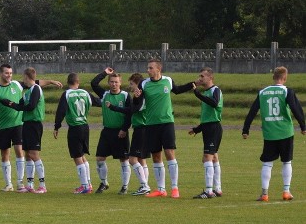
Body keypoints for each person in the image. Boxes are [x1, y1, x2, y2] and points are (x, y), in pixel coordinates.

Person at [242, 66, 306, 202]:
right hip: (285, 132)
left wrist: (245, 129)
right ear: (285, 77)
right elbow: (296, 109)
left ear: (273, 77)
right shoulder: (287, 91)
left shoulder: (263, 92)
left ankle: (264, 194)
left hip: (269, 133)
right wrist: (303, 125)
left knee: (267, 163)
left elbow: (252, 111)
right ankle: (286, 191)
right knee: (286, 161)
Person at [137, 58, 195, 198]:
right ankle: (161, 189)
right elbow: (138, 103)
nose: (148, 70)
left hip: (167, 122)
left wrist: (192, 84)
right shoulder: (144, 83)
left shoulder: (168, 81)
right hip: (151, 124)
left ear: (158, 69)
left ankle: (175, 188)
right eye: (148, 68)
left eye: (151, 68)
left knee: (169, 152)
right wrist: (136, 97)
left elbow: (178, 90)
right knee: (156, 156)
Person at [0, 67, 53, 193]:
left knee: (34, 154)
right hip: (27, 124)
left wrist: (17, 106)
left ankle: (42, 185)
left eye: (23, 77)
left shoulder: (36, 89)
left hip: (34, 124)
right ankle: (29, 184)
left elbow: (31, 106)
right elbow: (20, 106)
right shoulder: (27, 92)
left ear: (26, 77)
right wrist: (9, 103)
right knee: (28, 154)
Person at [90, 67, 132, 194]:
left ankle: (125, 186)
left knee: (124, 160)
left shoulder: (125, 96)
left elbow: (130, 114)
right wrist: (104, 73)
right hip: (107, 131)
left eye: (116, 82)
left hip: (121, 132)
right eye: (112, 82)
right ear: (109, 83)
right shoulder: (105, 95)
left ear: (120, 83)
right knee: (100, 158)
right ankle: (104, 182)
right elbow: (93, 84)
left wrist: (124, 129)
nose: (114, 84)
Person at [0, 64, 26, 192]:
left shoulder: (17, 85)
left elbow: (34, 82)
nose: (9, 75)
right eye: (7, 73)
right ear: (1, 74)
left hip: (18, 124)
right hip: (3, 126)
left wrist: (51, 82)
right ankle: (9, 184)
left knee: (19, 150)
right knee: (4, 154)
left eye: (11, 73)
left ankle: (20, 183)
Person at [53, 73, 95, 194]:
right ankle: (88, 183)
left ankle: (84, 186)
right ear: (78, 81)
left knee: (77, 156)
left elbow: (61, 111)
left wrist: (57, 126)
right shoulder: (85, 93)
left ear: (68, 82)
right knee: (82, 155)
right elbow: (97, 101)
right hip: (85, 126)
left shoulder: (67, 94)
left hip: (75, 128)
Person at [187, 68, 224, 199]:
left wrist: (198, 94)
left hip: (213, 128)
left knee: (207, 158)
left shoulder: (215, 90)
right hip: (209, 127)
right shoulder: (208, 92)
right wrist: (197, 129)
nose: (200, 78)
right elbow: (207, 117)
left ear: (210, 78)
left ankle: (208, 191)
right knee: (213, 157)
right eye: (199, 75)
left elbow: (214, 104)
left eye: (202, 76)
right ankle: (217, 189)